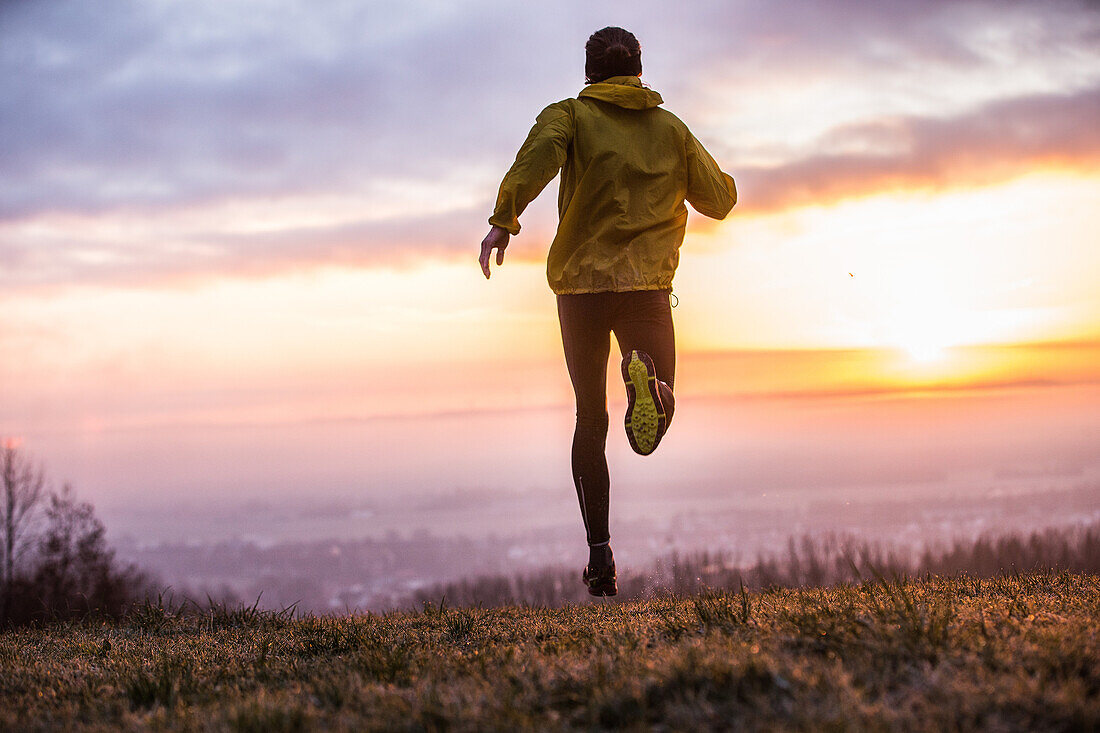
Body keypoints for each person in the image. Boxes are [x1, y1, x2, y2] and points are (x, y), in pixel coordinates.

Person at [479, 26, 736, 596]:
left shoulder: (569, 116)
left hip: (581, 288)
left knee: (590, 420)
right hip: (645, 285)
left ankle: (599, 553)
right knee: (659, 394)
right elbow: (718, 200)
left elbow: (535, 162)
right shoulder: (670, 129)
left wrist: (504, 218)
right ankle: (647, 379)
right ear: (639, 70)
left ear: (589, 72)